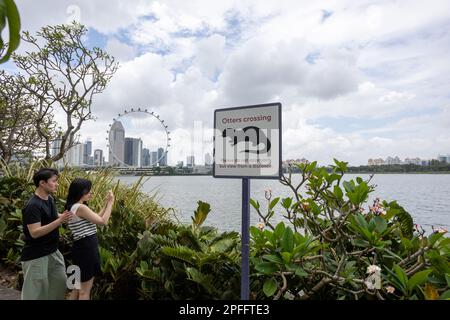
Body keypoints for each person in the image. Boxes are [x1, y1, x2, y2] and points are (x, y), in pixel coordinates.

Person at [21, 168, 74, 300]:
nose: (57, 184)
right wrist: (60, 221)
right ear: (42, 183)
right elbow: (35, 233)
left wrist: (68, 216)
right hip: (36, 256)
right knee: (34, 294)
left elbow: (52, 216)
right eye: (54, 181)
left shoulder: (49, 199)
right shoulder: (33, 205)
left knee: (59, 285)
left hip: (53, 252)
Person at [65, 178, 114, 300]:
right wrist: (111, 203)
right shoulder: (80, 207)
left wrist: (105, 204)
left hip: (79, 249)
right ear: (80, 192)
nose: (91, 193)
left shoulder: (72, 206)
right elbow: (103, 222)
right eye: (88, 191)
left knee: (76, 288)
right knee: (84, 292)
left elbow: (95, 218)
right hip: (87, 250)